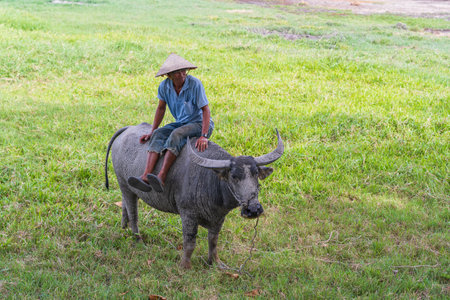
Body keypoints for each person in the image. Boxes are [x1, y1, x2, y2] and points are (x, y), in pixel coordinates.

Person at [128, 53, 213, 193]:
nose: (182, 75)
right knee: (159, 134)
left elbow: (206, 110)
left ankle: (161, 176)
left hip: (199, 124)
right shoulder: (164, 86)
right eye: (177, 72)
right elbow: (161, 108)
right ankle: (145, 176)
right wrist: (152, 130)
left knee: (176, 134)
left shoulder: (195, 84)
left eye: (183, 71)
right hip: (181, 122)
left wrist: (203, 135)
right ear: (169, 75)